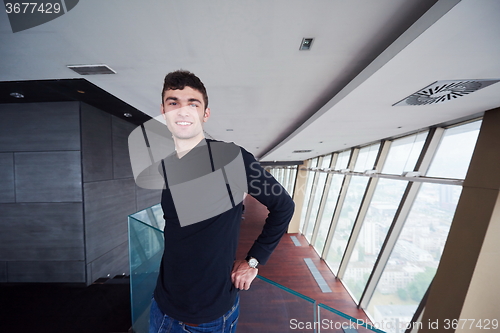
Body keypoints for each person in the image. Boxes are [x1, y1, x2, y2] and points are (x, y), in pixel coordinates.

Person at [149, 70, 295, 333]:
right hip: (161, 306)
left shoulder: (232, 159)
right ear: (163, 111)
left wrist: (253, 261)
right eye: (173, 103)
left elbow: (283, 206)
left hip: (208, 318)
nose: (183, 112)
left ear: (205, 114)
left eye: (193, 104)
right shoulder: (168, 166)